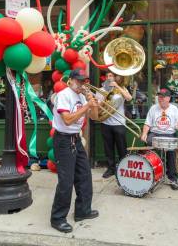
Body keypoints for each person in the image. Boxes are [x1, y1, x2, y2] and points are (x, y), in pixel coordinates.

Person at [50, 69, 99, 233]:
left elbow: (95, 117)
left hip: (75, 139)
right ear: (70, 80)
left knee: (84, 176)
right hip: (63, 140)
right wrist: (86, 106)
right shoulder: (64, 94)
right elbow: (68, 119)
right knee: (66, 181)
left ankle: (82, 211)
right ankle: (57, 218)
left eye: (83, 81)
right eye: (78, 81)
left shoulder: (82, 96)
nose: (81, 84)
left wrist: (92, 102)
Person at [140, 88, 178, 190]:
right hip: (155, 133)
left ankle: (172, 178)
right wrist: (144, 134)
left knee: (171, 151)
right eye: (159, 97)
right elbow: (147, 123)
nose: (160, 99)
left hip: (169, 134)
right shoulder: (153, 108)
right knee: (147, 143)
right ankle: (150, 173)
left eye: (163, 97)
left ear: (168, 98)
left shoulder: (174, 109)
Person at [97, 72, 132, 179]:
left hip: (119, 122)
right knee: (108, 147)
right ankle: (111, 168)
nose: (109, 78)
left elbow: (129, 98)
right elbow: (98, 106)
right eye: (107, 76)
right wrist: (103, 99)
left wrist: (117, 87)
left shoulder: (121, 88)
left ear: (116, 78)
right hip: (106, 122)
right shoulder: (102, 90)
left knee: (122, 147)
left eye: (111, 76)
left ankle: (124, 168)